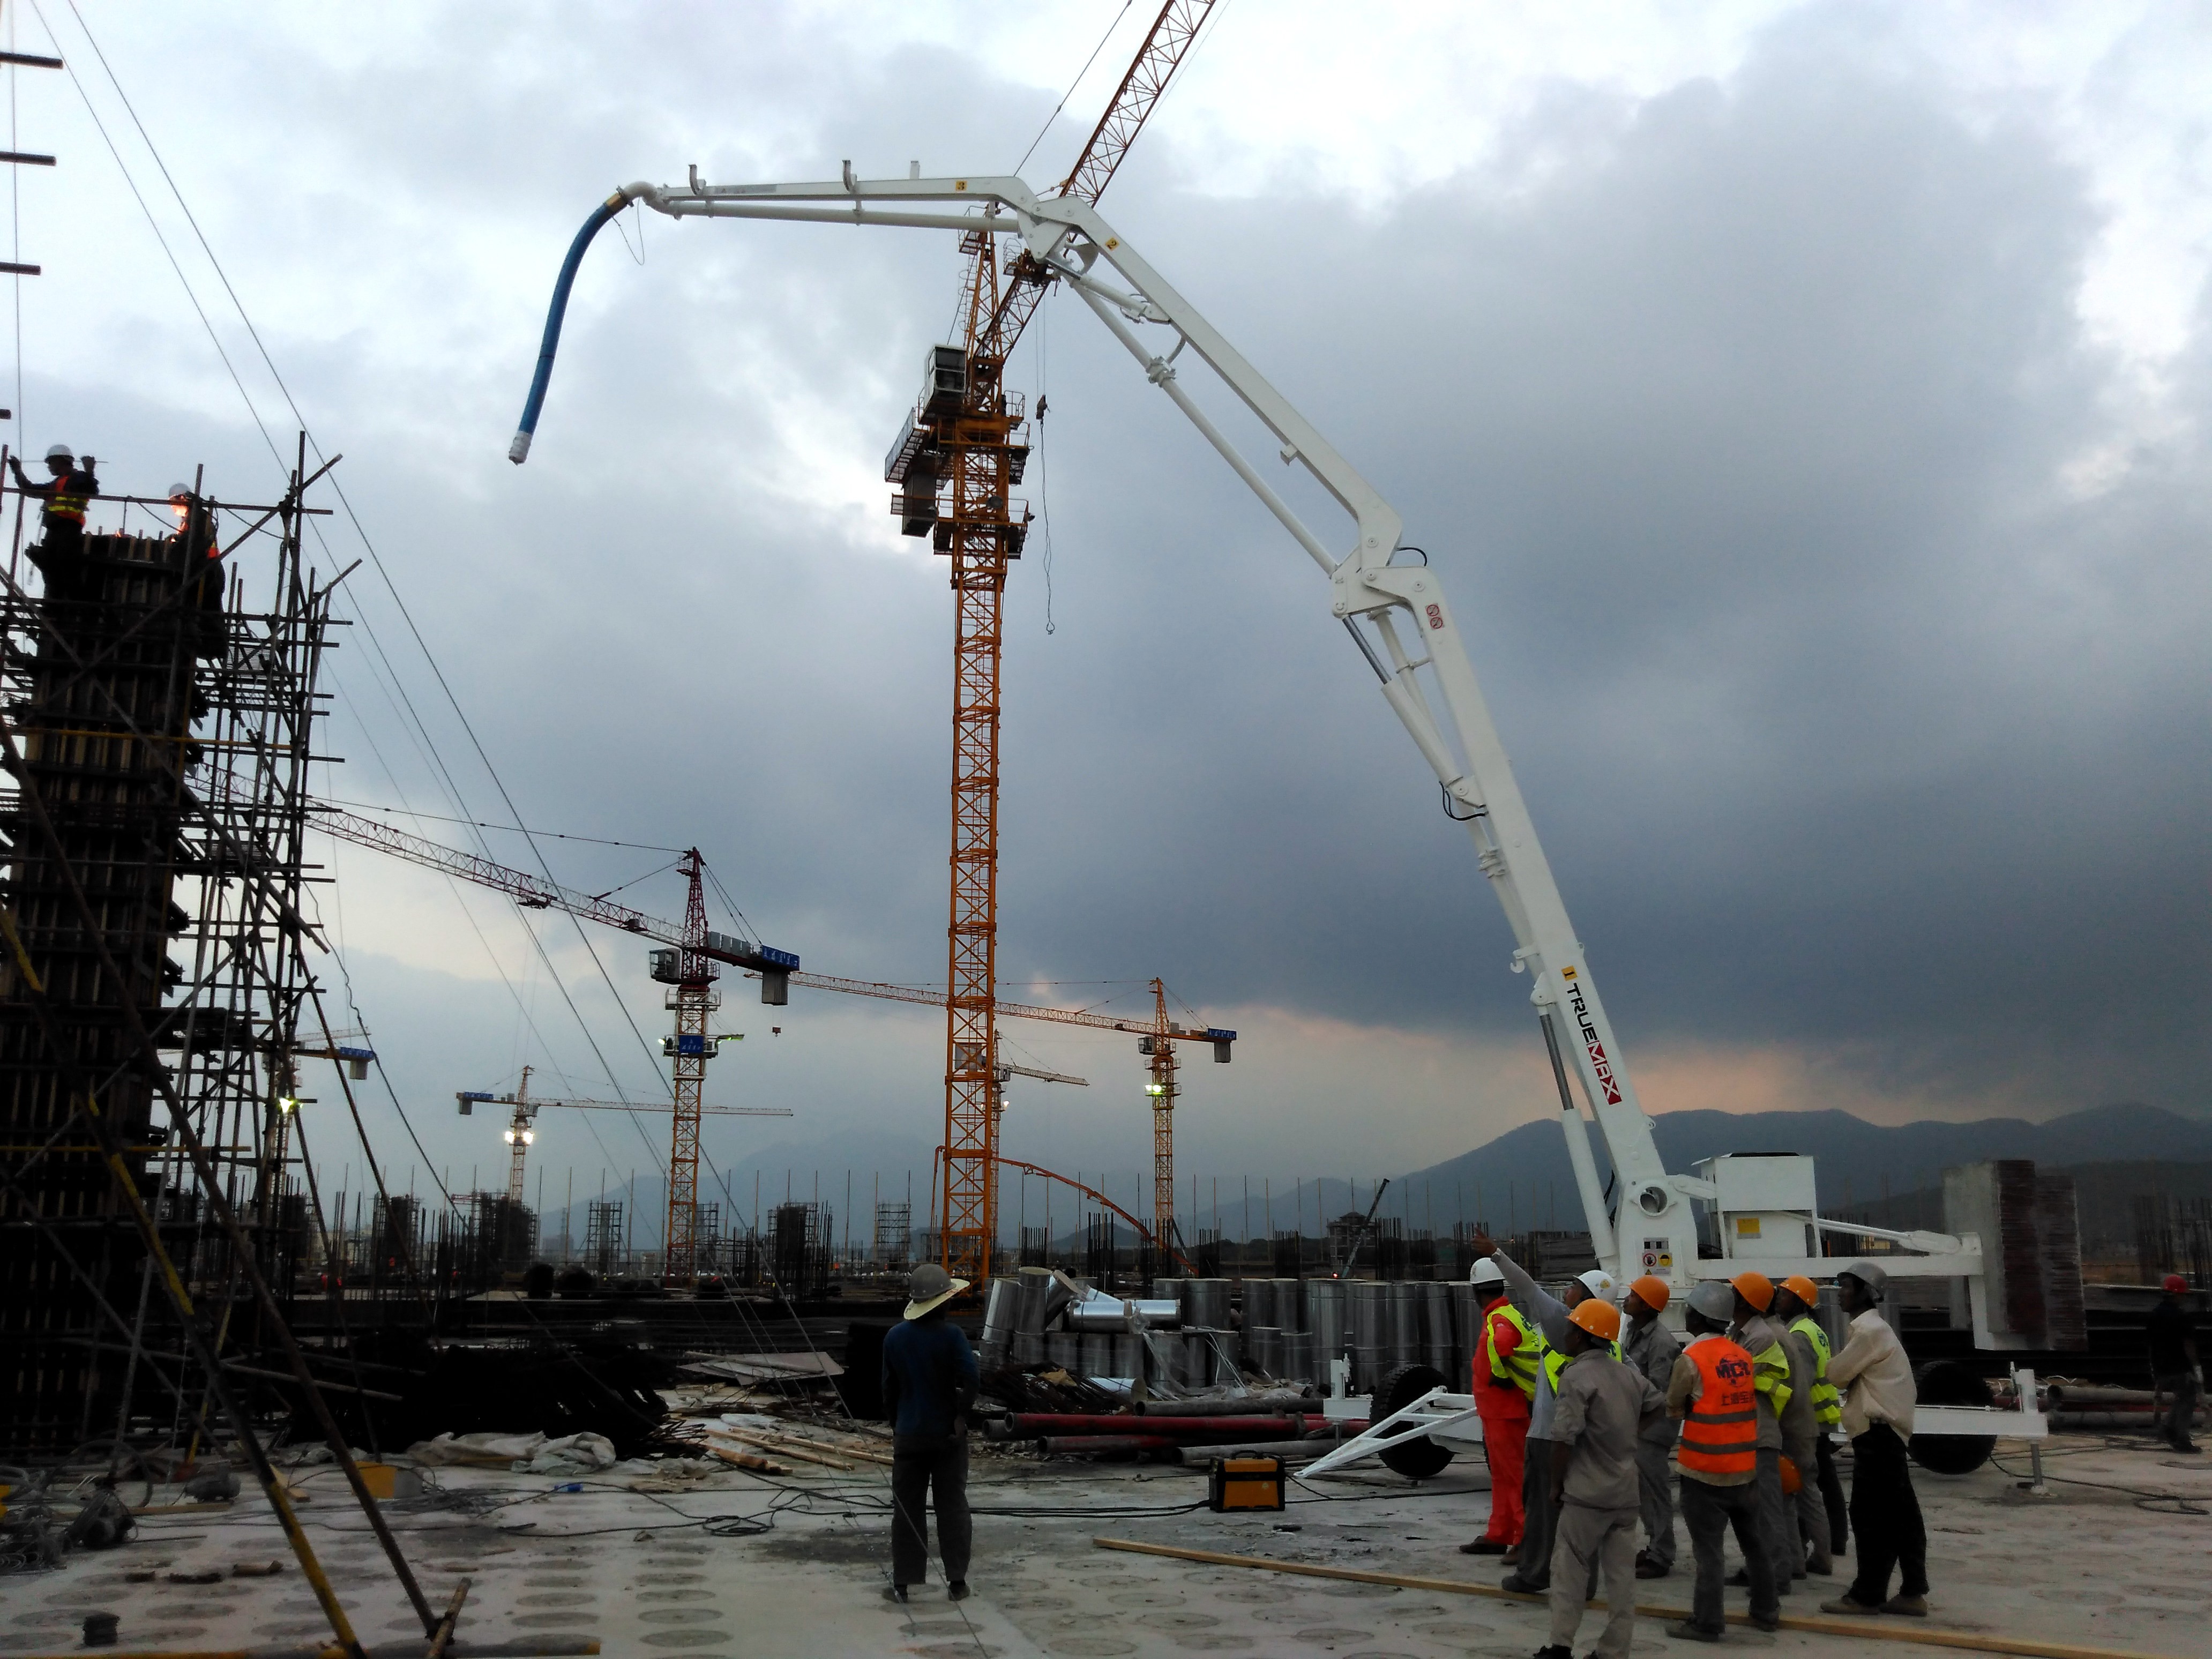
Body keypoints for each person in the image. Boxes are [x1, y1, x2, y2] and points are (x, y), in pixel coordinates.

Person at [1467, 1229, 1615, 1596]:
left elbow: (1528, 1288)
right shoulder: (1612, 1344)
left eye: (1574, 1287)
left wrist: (1497, 1253)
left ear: (1587, 1300)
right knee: (1584, 1514)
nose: (1567, 1290)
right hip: (1590, 1439)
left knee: (1541, 1508)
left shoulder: (1563, 1325)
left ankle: (1533, 1574)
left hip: (1550, 1435)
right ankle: (1586, 1583)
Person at [1534, 1296, 1664, 1659]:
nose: (1567, 1333)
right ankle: (1613, 1651)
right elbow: (1659, 1404)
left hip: (1587, 1494)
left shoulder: (1576, 1376)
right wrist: (1629, 1434)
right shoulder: (1627, 1373)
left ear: (1584, 1335)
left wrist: (1556, 1484)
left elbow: (1563, 1438)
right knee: (1622, 1581)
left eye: (1572, 1328)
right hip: (1625, 1493)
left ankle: (1560, 1647)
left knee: (1569, 1570)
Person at [1663, 1280, 1780, 1643]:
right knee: (1754, 1543)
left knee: (1709, 1551)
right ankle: (1766, 1611)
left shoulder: (1690, 1360)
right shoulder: (1741, 1356)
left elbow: (1673, 1409)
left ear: (1695, 1316)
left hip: (1704, 1472)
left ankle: (1708, 1622)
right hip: (1744, 1468)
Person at [1821, 1260, 1928, 1618]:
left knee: (1870, 1516)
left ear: (1866, 1292)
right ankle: (1913, 1591)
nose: (1840, 1293)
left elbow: (1835, 1374)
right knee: (1902, 1516)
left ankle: (1867, 1595)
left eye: (1847, 1287)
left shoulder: (1868, 1331)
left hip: (1877, 1436)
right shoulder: (1876, 1330)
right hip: (1890, 1436)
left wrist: (1838, 1373)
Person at [881, 1262, 978, 1603]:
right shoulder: (953, 1336)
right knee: (951, 1507)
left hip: (909, 1435)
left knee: (907, 1510)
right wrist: (960, 1416)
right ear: (943, 1301)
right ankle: (957, 1584)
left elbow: (889, 1388)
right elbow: (971, 1379)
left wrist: (898, 1423)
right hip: (947, 1437)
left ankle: (903, 1584)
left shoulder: (895, 1337)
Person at [1726, 1272, 1800, 1595]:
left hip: (1761, 1433)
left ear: (1744, 1301)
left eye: (1734, 1292)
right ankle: (1760, 1568)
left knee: (1768, 1510)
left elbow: (1732, 1380)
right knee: (1753, 1510)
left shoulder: (1759, 1338)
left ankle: (1777, 1576)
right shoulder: (1743, 1333)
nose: (1729, 1296)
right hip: (1747, 1433)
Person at [1458, 1256, 1533, 1556]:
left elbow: (1502, 1345)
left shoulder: (1500, 1320)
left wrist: (1499, 1377)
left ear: (1477, 1293)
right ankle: (1500, 1533)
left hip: (1507, 1413)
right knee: (1502, 1475)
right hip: (1500, 1412)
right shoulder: (1507, 1314)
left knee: (1514, 1476)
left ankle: (1525, 1538)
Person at [1774, 1275, 1844, 1567]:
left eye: (1785, 1295)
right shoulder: (1810, 1329)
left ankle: (1822, 1551)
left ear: (1800, 1301)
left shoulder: (1799, 1334)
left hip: (1808, 1420)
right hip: (1818, 1418)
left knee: (1807, 1487)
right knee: (1820, 1483)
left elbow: (1797, 1383)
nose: (1779, 1298)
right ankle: (1830, 1545)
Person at [1621, 1274, 1681, 1578]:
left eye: (1633, 1296)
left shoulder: (1661, 1342)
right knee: (1645, 1493)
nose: (1627, 1299)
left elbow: (1658, 1392)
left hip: (1654, 1427)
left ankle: (1662, 1555)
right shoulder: (1635, 1332)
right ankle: (1655, 1547)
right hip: (1640, 1425)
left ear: (1646, 1305)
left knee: (1656, 1494)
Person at [10, 443, 99, 596]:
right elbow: (29, 489)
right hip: (55, 531)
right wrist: (17, 471)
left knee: (65, 567)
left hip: (69, 530)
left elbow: (91, 489)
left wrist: (90, 471)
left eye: (51, 463)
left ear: (62, 461)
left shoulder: (77, 478)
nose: (49, 467)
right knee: (50, 568)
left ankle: (74, 605)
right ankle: (53, 606)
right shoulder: (56, 484)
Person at [2147, 1273, 2201, 1454]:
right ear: (2177, 1294)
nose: (2184, 1298)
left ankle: (2170, 1428)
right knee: (2188, 1396)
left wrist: (2155, 1370)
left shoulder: (2154, 1315)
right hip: (2179, 1368)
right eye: (2183, 1294)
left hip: (2160, 1368)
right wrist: (2196, 1368)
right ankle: (2181, 1437)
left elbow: (2151, 1343)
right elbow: (2188, 1344)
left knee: (2181, 1397)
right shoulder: (2180, 1316)